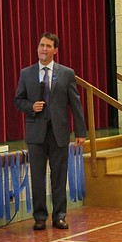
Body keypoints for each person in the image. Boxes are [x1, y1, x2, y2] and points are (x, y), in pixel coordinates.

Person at [14, 32, 86, 230]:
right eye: (41, 45)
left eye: (47, 46)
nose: (43, 49)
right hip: (36, 133)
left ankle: (59, 216)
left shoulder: (66, 73)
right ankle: (39, 217)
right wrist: (31, 107)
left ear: (55, 50)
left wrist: (80, 131)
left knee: (59, 176)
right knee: (37, 176)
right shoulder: (26, 73)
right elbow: (18, 100)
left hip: (59, 132)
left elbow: (75, 103)